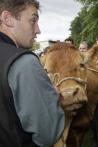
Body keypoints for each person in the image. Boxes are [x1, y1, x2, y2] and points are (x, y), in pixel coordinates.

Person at [0, 0, 65, 146]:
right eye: (33, 21)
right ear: (7, 18)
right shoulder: (23, 62)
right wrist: (50, 97)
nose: (38, 30)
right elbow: (48, 133)